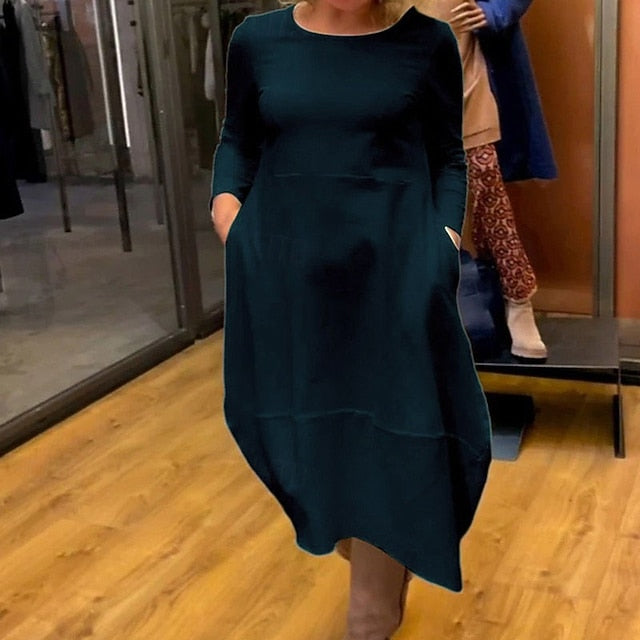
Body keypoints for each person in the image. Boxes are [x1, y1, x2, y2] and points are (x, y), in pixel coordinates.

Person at [210, 1, 493, 638]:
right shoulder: (257, 40)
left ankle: (373, 600)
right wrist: (228, 215)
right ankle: (375, 543)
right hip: (289, 281)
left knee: (392, 429)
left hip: (394, 278)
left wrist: (442, 245)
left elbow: (447, 157)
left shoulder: (427, 41)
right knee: (311, 434)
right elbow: (238, 141)